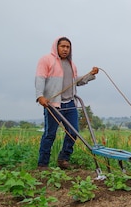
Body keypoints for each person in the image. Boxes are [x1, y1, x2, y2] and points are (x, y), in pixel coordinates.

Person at [35, 36, 99, 169]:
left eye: (68, 47)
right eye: (62, 46)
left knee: (73, 132)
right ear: (56, 47)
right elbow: (40, 78)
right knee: (50, 134)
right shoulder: (47, 60)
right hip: (53, 103)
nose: (65, 49)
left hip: (70, 103)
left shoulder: (71, 64)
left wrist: (91, 74)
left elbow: (76, 81)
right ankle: (42, 164)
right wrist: (40, 96)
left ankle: (63, 159)